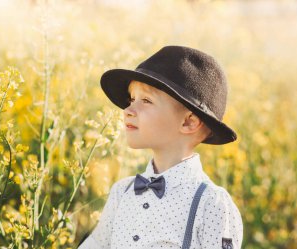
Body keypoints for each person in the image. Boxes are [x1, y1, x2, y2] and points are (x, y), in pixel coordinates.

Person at [78, 45, 243, 249]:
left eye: (146, 100)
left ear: (189, 122)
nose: (128, 109)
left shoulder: (211, 203)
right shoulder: (122, 192)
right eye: (131, 99)